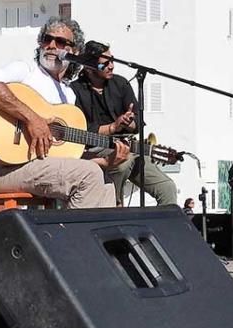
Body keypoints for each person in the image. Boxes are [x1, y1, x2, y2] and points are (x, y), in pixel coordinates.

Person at [0, 18, 126, 208]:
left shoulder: (68, 95)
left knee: (105, 182)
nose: (52, 45)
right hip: (2, 168)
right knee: (88, 175)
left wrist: (105, 161)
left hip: (36, 164)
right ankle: (71, 237)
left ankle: (94, 237)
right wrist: (32, 118)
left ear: (74, 52)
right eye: (47, 39)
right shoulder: (26, 70)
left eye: (61, 42)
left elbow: (66, 154)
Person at [71, 41, 177, 206]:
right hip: (95, 151)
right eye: (105, 64)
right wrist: (113, 127)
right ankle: (115, 206)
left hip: (129, 148)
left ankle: (168, 230)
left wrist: (129, 123)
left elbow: (138, 124)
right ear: (89, 68)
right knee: (123, 163)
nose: (112, 66)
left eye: (112, 60)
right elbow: (80, 132)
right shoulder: (74, 90)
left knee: (167, 188)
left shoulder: (121, 83)